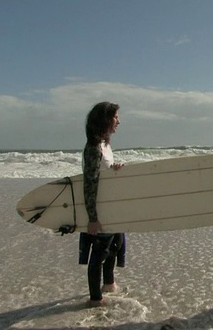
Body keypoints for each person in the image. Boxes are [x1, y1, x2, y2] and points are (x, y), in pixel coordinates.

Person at [79, 101, 126, 308]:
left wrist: (114, 170)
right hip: (99, 210)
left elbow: (102, 176)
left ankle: (109, 285)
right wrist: (92, 219)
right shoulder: (93, 149)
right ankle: (95, 299)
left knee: (116, 245)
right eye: (115, 117)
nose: (119, 121)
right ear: (105, 119)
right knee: (100, 253)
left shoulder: (106, 145)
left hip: (110, 208)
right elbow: (89, 184)